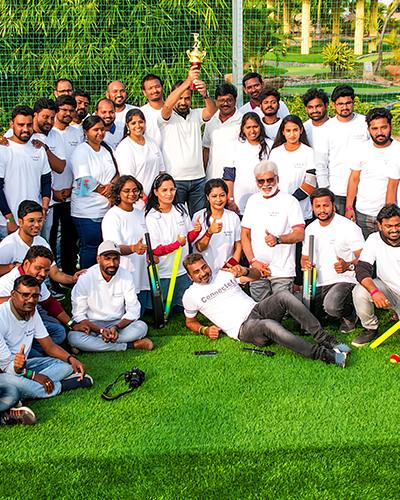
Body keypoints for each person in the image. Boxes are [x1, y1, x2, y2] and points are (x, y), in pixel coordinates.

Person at [182, 253, 349, 367]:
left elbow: (257, 276)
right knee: (267, 325)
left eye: (204, 267)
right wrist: (204, 329)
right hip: (243, 328)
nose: (203, 273)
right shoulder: (190, 296)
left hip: (256, 308)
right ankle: (323, 355)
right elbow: (190, 321)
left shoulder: (223, 274)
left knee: (283, 295)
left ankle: (325, 339)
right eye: (196, 272)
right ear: (190, 277)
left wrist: (245, 270)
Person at [0, 275, 92, 400]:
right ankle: (62, 386)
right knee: (14, 382)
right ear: (13, 294)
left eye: (35, 296)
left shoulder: (32, 311)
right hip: (4, 371)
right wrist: (34, 376)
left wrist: (71, 359)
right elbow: (6, 367)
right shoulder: (1, 316)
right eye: (25, 295)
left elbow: (49, 346)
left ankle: (22, 392)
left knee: (66, 367)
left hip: (24, 366)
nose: (31, 300)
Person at [0, 246, 85, 357]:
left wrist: (72, 324)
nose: (43, 274)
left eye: (46, 270)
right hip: (9, 330)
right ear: (26, 264)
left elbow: (50, 303)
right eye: (38, 268)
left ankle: (34, 351)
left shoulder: (36, 280)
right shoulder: (8, 282)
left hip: (29, 322)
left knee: (59, 332)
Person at [69, 241, 152, 352]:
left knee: (141, 327)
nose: (112, 263)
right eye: (107, 259)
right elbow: (78, 315)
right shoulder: (86, 278)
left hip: (117, 324)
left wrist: (116, 327)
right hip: (93, 325)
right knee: (73, 337)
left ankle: (92, 344)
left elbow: (134, 310)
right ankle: (130, 345)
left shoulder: (126, 276)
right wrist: (101, 331)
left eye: (115, 259)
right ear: (98, 259)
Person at [301, 188, 364, 333]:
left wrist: (348, 265)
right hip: (318, 282)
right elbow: (304, 258)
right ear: (312, 208)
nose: (322, 210)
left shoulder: (348, 227)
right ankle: (328, 314)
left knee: (332, 306)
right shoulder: (310, 229)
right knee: (300, 310)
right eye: (318, 206)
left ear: (333, 206)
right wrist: (305, 264)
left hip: (344, 280)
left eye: (326, 205)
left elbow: (364, 259)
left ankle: (350, 315)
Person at [241, 160, 305, 301]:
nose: (265, 184)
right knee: (260, 308)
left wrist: (278, 239)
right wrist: (253, 261)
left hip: (282, 270)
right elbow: (245, 234)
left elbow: (300, 234)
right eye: (260, 181)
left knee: (281, 309)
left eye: (270, 180)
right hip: (258, 268)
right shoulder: (252, 201)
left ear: (277, 178)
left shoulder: (290, 201)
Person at [159, 67, 217, 217]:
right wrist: (188, 81)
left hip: (198, 178)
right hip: (175, 179)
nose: (183, 102)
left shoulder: (196, 114)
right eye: (180, 98)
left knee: (199, 220)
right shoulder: (166, 117)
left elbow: (211, 111)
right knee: (178, 220)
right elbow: (166, 106)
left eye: (187, 98)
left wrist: (205, 94)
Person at [145, 173, 201, 310]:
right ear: (156, 192)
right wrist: (177, 245)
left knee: (183, 307)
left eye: (172, 189)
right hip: (164, 272)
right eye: (164, 190)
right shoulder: (151, 217)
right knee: (160, 308)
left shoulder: (181, 210)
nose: (169, 194)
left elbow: (187, 238)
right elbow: (155, 250)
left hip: (182, 270)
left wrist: (196, 231)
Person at [70, 115, 119, 268]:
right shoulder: (81, 151)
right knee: (90, 248)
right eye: (95, 130)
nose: (100, 133)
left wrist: (112, 186)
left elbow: (117, 172)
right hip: (87, 211)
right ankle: (86, 280)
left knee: (105, 247)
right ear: (86, 132)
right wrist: (108, 192)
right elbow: (84, 180)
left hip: (107, 209)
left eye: (102, 129)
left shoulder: (107, 148)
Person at [0, 201, 82, 289]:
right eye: (31, 221)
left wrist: (73, 279)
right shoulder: (9, 244)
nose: (37, 225)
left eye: (40, 220)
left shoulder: (41, 241)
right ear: (20, 222)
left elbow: (54, 273)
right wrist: (11, 267)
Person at [346, 108, 400, 239]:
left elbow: (392, 187)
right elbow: (354, 179)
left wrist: (388, 218)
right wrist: (349, 207)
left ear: (390, 127)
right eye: (375, 128)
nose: (380, 132)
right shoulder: (361, 149)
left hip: (389, 218)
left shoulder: (397, 151)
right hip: (363, 213)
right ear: (369, 129)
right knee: (365, 255)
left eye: (384, 127)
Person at [352, 204, 400, 346]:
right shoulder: (374, 239)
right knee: (360, 291)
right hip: (388, 290)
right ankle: (370, 328)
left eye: (398, 225)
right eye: (388, 226)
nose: (394, 230)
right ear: (379, 225)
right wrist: (374, 291)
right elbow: (362, 269)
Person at [0, 106, 51, 239]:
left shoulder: (38, 149)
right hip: (7, 224)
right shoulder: (3, 150)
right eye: (21, 124)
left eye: (29, 125)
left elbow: (46, 181)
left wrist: (44, 209)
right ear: (12, 124)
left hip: (34, 223)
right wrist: (10, 219)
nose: (25, 129)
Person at [317, 85, 369, 215]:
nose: (344, 107)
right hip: (337, 190)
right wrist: (325, 193)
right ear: (333, 105)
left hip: (364, 189)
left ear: (353, 102)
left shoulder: (365, 123)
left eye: (348, 103)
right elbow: (321, 163)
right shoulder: (326, 129)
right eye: (340, 104)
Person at [101, 176, 150, 313]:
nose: (132, 194)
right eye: (126, 191)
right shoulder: (112, 216)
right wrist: (133, 248)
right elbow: (113, 247)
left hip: (142, 269)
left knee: (141, 312)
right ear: (118, 193)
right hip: (124, 271)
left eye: (135, 190)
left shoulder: (140, 214)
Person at [52, 95, 83, 275]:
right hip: (52, 196)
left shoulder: (76, 132)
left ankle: (70, 273)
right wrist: (53, 191)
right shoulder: (48, 134)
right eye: (64, 110)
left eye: (71, 110)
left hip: (73, 194)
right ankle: (54, 275)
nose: (68, 113)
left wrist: (73, 189)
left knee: (70, 238)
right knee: (53, 237)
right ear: (57, 110)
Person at [223, 112, 272, 216]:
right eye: (248, 127)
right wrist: (230, 200)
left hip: (265, 199)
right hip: (239, 200)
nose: (252, 131)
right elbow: (229, 176)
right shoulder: (234, 145)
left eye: (255, 126)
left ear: (260, 127)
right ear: (243, 129)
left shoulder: (270, 145)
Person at [269, 115, 316, 221]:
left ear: (301, 130)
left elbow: (311, 182)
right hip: (278, 207)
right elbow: (270, 179)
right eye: (288, 130)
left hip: (301, 209)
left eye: (295, 130)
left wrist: (291, 200)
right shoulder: (275, 152)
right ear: (283, 132)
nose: (292, 134)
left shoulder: (308, 152)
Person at [193, 179, 241, 272]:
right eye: (214, 196)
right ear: (207, 197)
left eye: (222, 195)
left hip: (227, 271)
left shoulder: (233, 217)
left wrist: (230, 266)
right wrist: (209, 232)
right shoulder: (199, 216)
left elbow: (238, 246)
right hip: (204, 273)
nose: (218, 200)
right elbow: (199, 248)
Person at [115, 109, 164, 200]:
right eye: (133, 123)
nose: (138, 126)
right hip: (137, 199)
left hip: (155, 198)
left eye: (140, 122)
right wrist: (143, 197)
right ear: (127, 125)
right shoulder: (124, 147)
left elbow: (161, 171)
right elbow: (128, 179)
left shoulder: (151, 142)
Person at [202, 83, 242, 179]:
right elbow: (206, 149)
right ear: (216, 101)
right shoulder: (211, 120)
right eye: (221, 100)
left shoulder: (242, 120)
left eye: (229, 100)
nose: (225, 104)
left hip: (235, 178)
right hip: (212, 176)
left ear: (235, 100)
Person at [141, 74, 164, 148]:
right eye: (150, 88)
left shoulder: (172, 109)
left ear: (162, 88)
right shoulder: (141, 113)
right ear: (144, 92)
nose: (154, 91)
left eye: (157, 87)